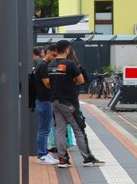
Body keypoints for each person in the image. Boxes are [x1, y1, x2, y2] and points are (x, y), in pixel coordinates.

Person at [42, 39, 103, 168]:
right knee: (79, 129)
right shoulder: (70, 64)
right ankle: (88, 158)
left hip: (55, 101)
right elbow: (81, 81)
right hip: (68, 101)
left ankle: (62, 159)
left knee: (60, 129)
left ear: (56, 50)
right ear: (67, 49)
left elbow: (48, 83)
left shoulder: (51, 64)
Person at [30, 45, 57, 164]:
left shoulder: (41, 65)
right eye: (54, 55)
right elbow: (47, 83)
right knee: (44, 129)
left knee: (45, 128)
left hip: (42, 100)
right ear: (48, 52)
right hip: (44, 100)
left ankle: (44, 153)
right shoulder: (43, 66)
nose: (55, 58)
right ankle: (42, 155)